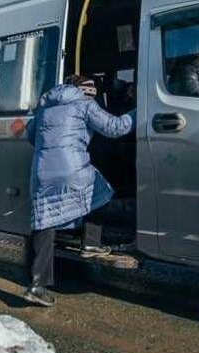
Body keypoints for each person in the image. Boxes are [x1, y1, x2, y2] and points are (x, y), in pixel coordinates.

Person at [24, 75, 135, 306]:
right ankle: (93, 242)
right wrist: (139, 112)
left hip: (42, 171)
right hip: (71, 168)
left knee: (44, 221)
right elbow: (115, 128)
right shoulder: (84, 104)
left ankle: (36, 285)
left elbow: (31, 136)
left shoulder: (46, 107)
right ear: (84, 91)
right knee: (99, 194)